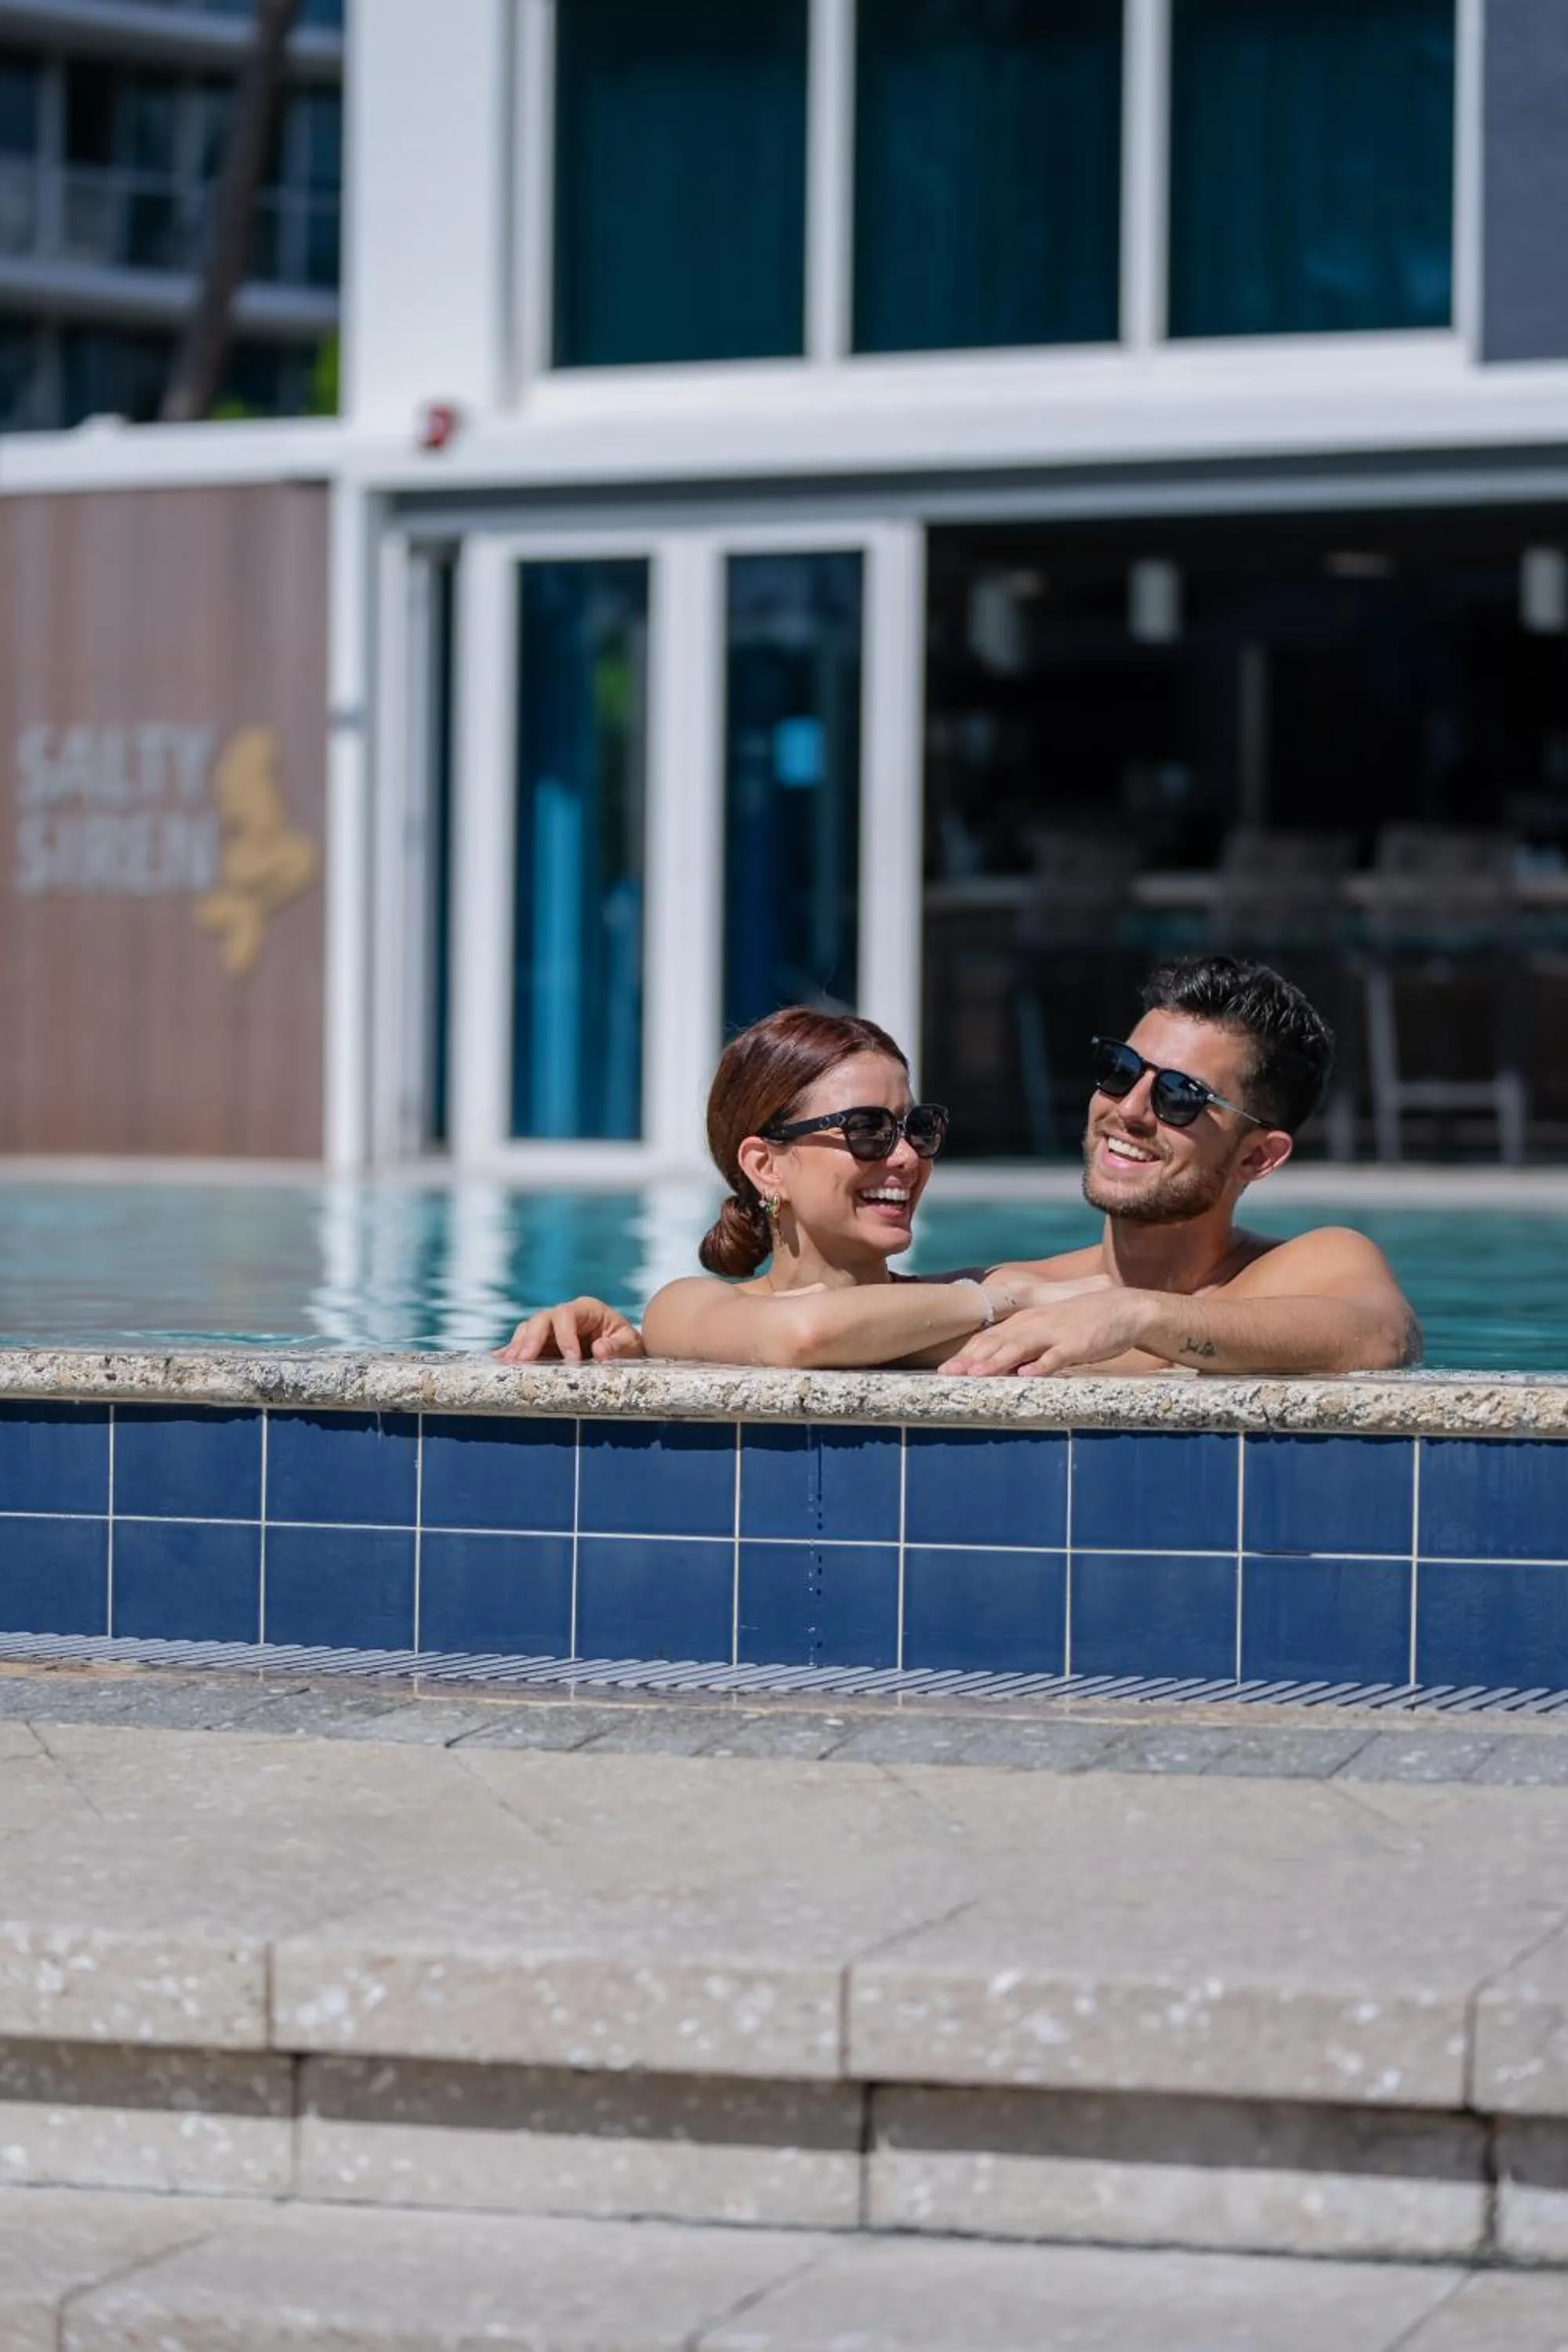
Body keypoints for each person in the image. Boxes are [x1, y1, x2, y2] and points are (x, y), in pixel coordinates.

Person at [499, 956, 1419, 1377]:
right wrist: (621, 1334)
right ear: (761, 1164)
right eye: (1118, 1072)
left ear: (1258, 1155)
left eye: (1178, 1097)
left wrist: (1135, 1313)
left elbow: (1378, 1339)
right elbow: (798, 1332)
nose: (1127, 1109)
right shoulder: (995, 1289)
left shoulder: (1301, 1267)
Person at [499, 1005, 1086, 1370]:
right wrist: (1009, 1302)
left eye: (918, 1127)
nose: (907, 1157)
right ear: (765, 1166)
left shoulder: (955, 1301)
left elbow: (1143, 1282)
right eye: (867, 1130)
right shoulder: (689, 1308)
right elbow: (803, 1335)